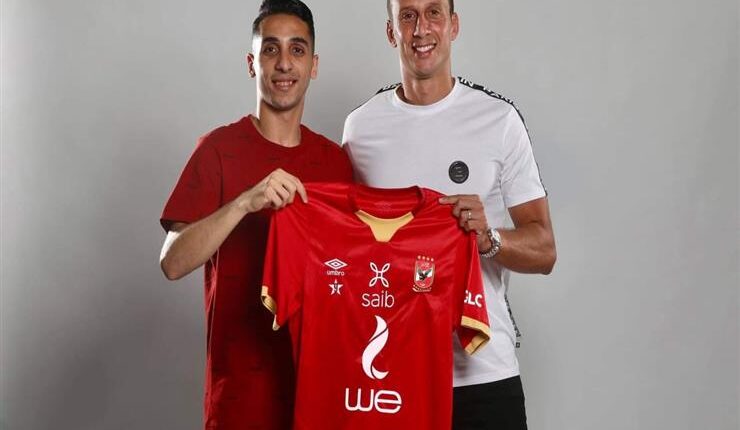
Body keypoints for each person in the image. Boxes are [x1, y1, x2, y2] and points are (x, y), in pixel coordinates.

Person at [342, 0, 556, 428]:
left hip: (483, 375)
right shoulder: (360, 129)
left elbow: (545, 250)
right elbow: (349, 249)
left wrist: (490, 239)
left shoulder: (499, 120)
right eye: (407, 16)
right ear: (391, 32)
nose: (421, 29)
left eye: (434, 13)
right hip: (393, 373)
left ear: (453, 25)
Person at [159, 1, 353, 428]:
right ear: (252, 64)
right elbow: (172, 262)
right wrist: (244, 202)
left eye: (297, 49)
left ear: (314, 65)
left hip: (318, 398)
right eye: (270, 49)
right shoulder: (218, 149)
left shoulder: (336, 163)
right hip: (239, 403)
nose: (284, 63)